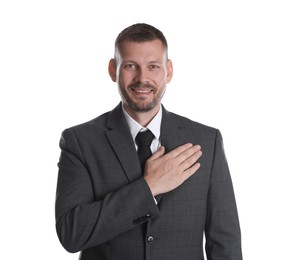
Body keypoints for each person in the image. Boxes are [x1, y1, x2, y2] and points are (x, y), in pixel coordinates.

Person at [55, 23, 242, 260]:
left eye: (153, 67)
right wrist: (149, 186)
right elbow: (71, 233)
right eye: (131, 66)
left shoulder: (207, 140)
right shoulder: (80, 141)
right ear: (113, 70)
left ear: (169, 71)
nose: (142, 78)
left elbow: (225, 243)